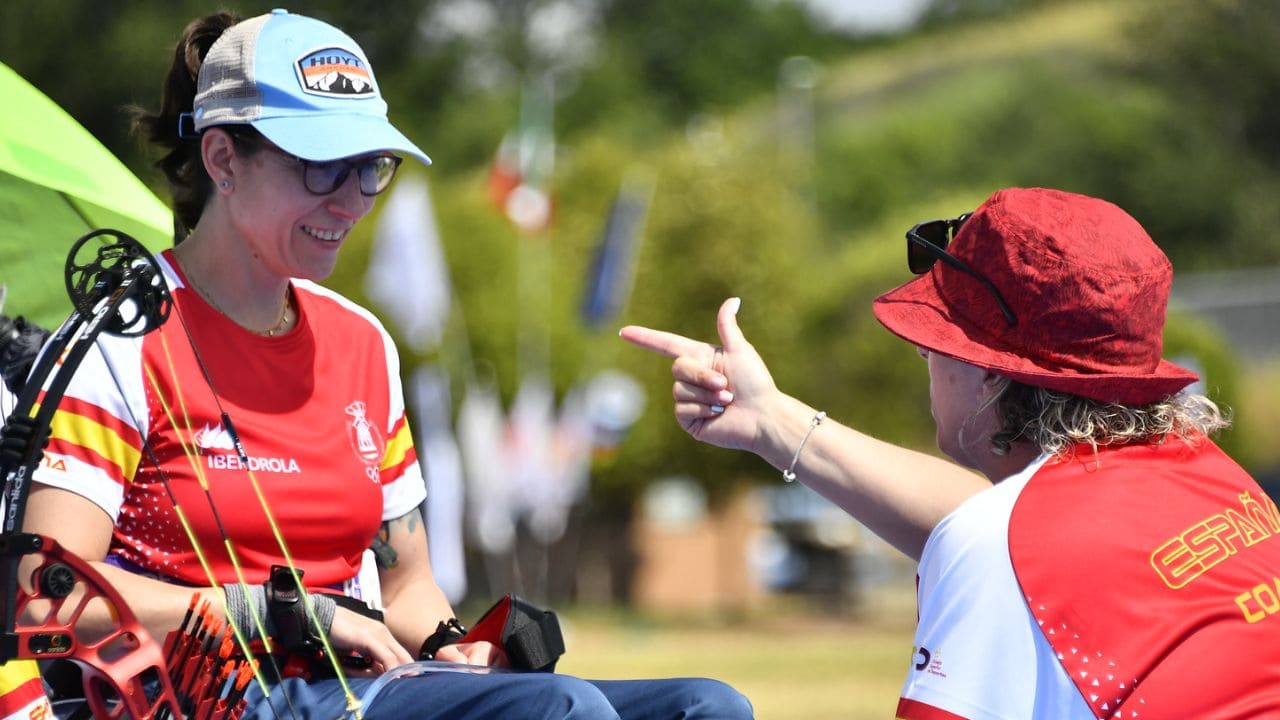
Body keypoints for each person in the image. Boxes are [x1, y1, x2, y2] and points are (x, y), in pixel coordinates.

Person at [22, 10, 753, 720]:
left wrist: (455, 647)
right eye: (319, 168)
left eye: (369, 167)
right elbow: (44, 592)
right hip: (211, 694)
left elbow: (408, 590)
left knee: (709, 705)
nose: (349, 201)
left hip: (366, 687)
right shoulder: (122, 335)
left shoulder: (362, 341)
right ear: (221, 159)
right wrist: (281, 615)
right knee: (562, 709)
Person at [621, 187, 1280, 719]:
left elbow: (1001, 539)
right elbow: (1012, 532)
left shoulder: (1000, 544)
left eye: (937, 338)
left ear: (993, 372)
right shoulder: (1216, 479)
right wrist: (769, 419)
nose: (920, 352)